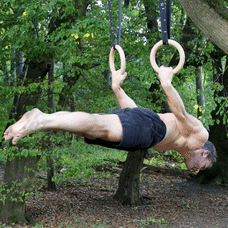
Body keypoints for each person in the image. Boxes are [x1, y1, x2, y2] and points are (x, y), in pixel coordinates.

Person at [3, 66, 217, 173]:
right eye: (203, 166)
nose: (198, 170)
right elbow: (181, 113)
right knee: (100, 127)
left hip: (145, 129)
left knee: (90, 128)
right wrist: (166, 84)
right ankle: (40, 120)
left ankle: (43, 117)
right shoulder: (200, 137)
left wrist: (116, 88)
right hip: (151, 129)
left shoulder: (179, 146)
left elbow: (135, 112)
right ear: (205, 152)